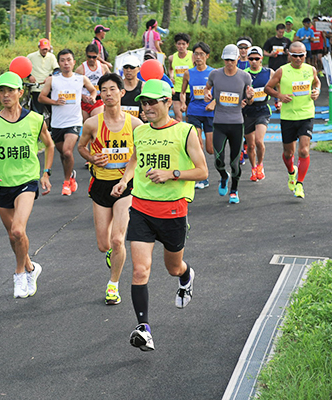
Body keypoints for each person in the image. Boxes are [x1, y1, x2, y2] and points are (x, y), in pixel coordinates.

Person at [110, 78, 208, 351]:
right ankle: (144, 328)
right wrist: (125, 180)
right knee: (140, 270)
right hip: (141, 208)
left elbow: (202, 171)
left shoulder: (186, 132)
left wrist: (172, 173)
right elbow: (135, 158)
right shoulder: (140, 131)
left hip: (173, 210)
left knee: (172, 268)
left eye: (152, 101)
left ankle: (186, 277)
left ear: (168, 102)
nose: (146, 107)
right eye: (143, 102)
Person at [0, 71, 54, 298]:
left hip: (26, 182)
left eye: (10, 90)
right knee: (13, 235)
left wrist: (45, 173)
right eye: (2, 91)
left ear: (20, 92)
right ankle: (30, 267)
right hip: (0, 185)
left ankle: (19, 273)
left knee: (18, 229)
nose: (6, 95)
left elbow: (49, 145)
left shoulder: (35, 120)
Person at [77, 73, 143, 305]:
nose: (108, 94)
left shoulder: (135, 124)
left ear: (122, 93)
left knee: (117, 240)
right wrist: (92, 158)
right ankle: (111, 254)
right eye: (103, 90)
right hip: (100, 185)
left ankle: (113, 285)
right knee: (104, 244)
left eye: (113, 89)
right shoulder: (92, 123)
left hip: (125, 186)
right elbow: (81, 147)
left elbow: (136, 157)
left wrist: (125, 180)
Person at [264, 41, 321, 199]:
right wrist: (280, 96)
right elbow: (267, 88)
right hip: (288, 117)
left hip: (306, 114)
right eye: (294, 55)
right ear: (289, 55)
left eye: (301, 55)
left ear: (305, 55)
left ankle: (300, 184)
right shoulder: (282, 71)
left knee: (303, 150)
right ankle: (291, 173)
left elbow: (317, 82)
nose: (298, 58)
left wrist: (317, 91)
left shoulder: (311, 70)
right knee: (288, 154)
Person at [39, 49, 97, 196]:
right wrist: (55, 102)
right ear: (59, 63)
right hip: (57, 124)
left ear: (74, 62)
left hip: (74, 122)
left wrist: (91, 97)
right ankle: (71, 175)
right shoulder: (53, 79)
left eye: (69, 60)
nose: (66, 63)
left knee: (67, 151)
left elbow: (93, 90)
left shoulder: (81, 78)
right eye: (63, 60)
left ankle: (66, 182)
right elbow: (41, 98)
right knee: (64, 154)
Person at [204, 44, 254, 204]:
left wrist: (250, 97)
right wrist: (208, 95)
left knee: (234, 162)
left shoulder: (245, 76)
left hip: (237, 124)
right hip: (219, 123)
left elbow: (249, 100)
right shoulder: (215, 74)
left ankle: (234, 190)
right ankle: (223, 176)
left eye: (232, 60)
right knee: (218, 160)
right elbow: (208, 89)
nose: (229, 63)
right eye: (226, 60)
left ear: (238, 59)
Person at [180, 41, 215, 189]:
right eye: (196, 54)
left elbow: (218, 92)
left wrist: (213, 103)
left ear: (207, 56)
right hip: (193, 111)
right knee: (198, 144)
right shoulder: (188, 73)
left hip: (209, 112)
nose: (198, 57)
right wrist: (183, 103)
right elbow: (182, 93)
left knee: (210, 149)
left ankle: (221, 167)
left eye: (201, 54)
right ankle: (203, 176)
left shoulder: (213, 73)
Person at [243, 46, 275, 182]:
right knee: (250, 145)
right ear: (248, 59)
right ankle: (253, 167)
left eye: (257, 58)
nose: (254, 61)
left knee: (259, 141)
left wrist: (278, 100)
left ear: (261, 59)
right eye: (251, 59)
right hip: (247, 112)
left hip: (262, 110)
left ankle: (260, 164)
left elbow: (277, 86)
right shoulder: (243, 74)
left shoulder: (269, 73)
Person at [75, 43, 110, 121]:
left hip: (98, 100)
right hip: (84, 101)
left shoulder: (103, 67)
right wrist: (82, 96)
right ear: (86, 55)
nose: (91, 59)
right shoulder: (80, 69)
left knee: (96, 123)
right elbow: (73, 87)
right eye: (89, 57)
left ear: (98, 56)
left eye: (94, 57)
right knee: (86, 126)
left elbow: (111, 81)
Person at [26, 38, 60, 115]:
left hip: (49, 87)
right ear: (39, 48)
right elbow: (24, 67)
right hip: (36, 87)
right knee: (37, 113)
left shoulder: (51, 57)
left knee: (53, 111)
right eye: (43, 49)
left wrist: (50, 77)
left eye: (46, 49)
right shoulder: (31, 56)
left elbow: (57, 70)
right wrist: (29, 76)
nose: (45, 51)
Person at [168, 33, 193, 122]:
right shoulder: (172, 58)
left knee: (189, 117)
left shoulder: (192, 56)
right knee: (178, 118)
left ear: (187, 45)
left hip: (189, 90)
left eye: (183, 44)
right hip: (177, 90)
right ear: (176, 45)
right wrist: (171, 76)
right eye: (179, 44)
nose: (181, 46)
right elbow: (170, 69)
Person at [120, 55, 145, 121]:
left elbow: (151, 106)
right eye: (126, 67)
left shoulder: (144, 86)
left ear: (139, 69)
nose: (128, 70)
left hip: (139, 126)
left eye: (132, 67)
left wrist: (147, 115)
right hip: (121, 125)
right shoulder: (117, 86)